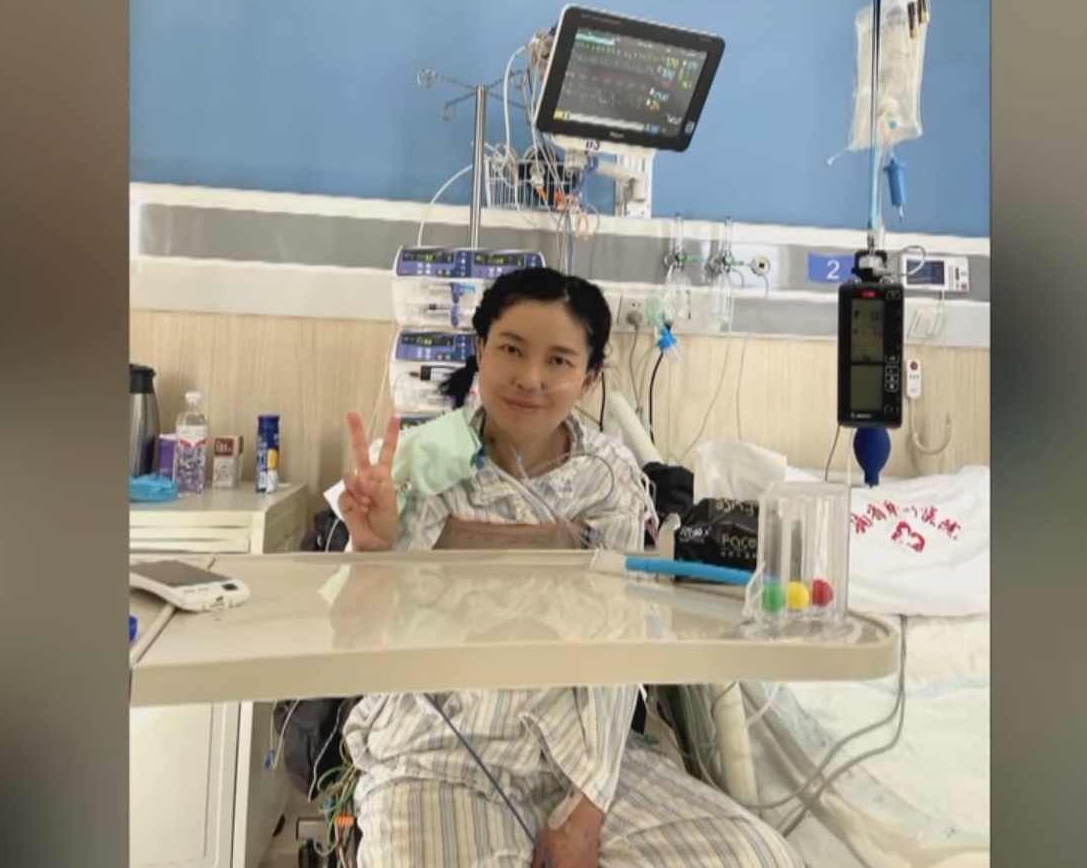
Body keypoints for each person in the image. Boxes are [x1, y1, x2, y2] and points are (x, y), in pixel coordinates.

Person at [336, 267, 801, 868]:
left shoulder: (607, 479)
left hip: (578, 752)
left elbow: (621, 650)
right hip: (439, 748)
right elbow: (364, 636)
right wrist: (375, 547)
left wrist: (588, 806)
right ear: (481, 350)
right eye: (511, 350)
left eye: (558, 360)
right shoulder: (422, 466)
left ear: (589, 378)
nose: (530, 378)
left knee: (752, 856)